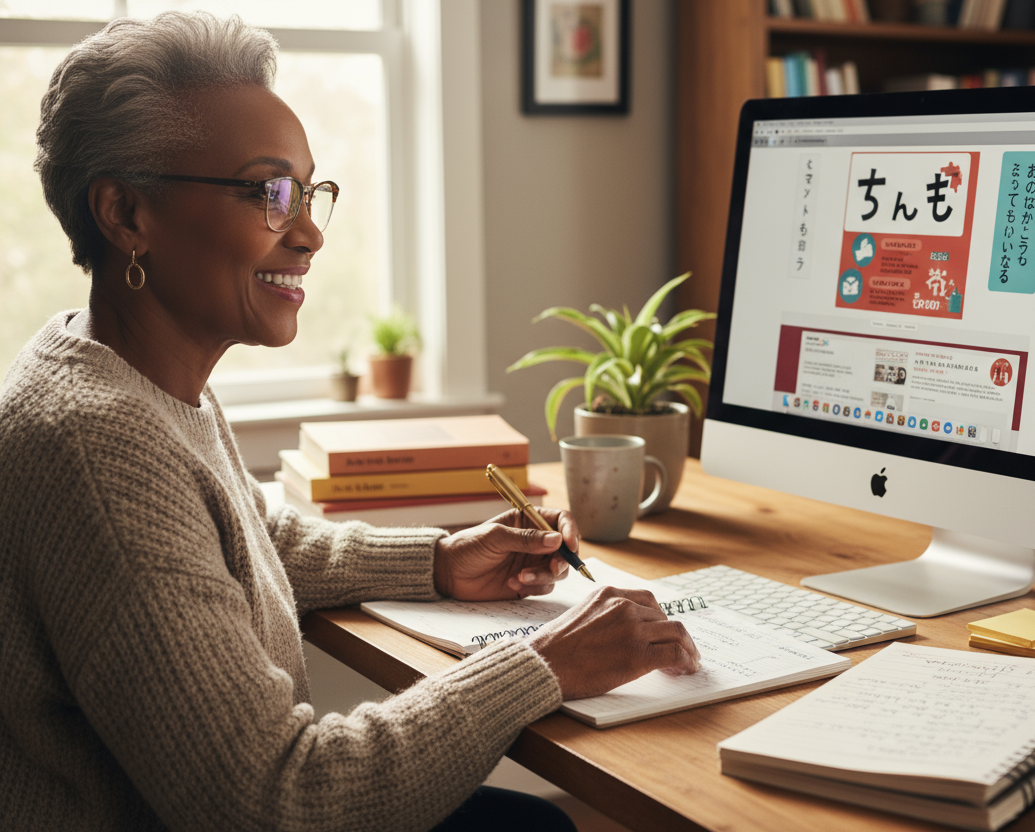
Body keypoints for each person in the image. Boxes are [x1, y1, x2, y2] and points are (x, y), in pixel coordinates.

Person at [0, 12, 699, 832]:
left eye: (307, 191)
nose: (309, 233)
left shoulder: (132, 374)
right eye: (268, 192)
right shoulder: (96, 446)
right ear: (124, 214)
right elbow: (278, 799)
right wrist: (542, 661)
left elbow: (244, 546)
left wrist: (443, 561)